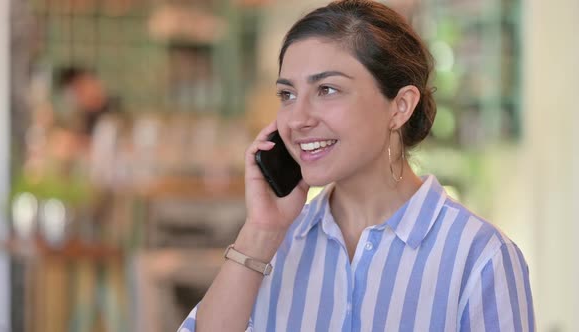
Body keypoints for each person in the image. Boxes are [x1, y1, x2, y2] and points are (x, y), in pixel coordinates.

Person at [179, 1, 535, 331]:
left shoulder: (479, 257)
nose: (297, 119)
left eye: (327, 90)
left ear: (400, 106)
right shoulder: (273, 244)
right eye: (287, 95)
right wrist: (260, 231)